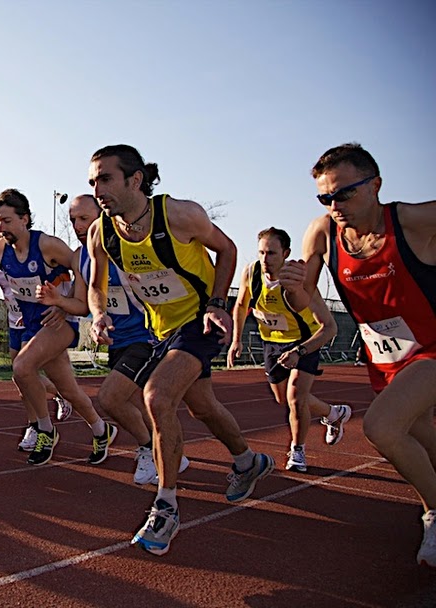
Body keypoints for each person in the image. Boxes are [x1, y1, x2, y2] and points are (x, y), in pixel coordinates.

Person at [86, 145, 274, 556]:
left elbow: (227, 249)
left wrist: (218, 304)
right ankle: (247, 462)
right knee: (203, 406)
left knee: (157, 396)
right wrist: (98, 315)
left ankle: (166, 506)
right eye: (92, 181)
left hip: (199, 320)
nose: (97, 189)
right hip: (160, 328)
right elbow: (96, 285)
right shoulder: (101, 231)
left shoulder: (180, 215)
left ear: (135, 180)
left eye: (105, 179)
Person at [278, 143, 436, 567]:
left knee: (383, 427)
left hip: (432, 347)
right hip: (385, 355)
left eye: (343, 194)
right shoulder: (323, 233)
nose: (335, 205)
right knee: (420, 433)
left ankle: (434, 512)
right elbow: (302, 300)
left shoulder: (414, 221)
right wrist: (292, 288)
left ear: (375, 186)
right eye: (325, 198)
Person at [0, 190, 112, 465]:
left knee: (22, 367)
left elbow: (81, 267)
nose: (2, 228)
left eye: (7, 221)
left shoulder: (47, 245)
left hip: (58, 321)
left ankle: (45, 429)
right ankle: (101, 429)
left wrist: (64, 303)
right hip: (32, 322)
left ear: (25, 219)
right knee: (67, 389)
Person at [55, 194, 191, 479]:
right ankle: (173, 454)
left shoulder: (124, 245)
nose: (78, 226)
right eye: (73, 220)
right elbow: (83, 304)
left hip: (147, 335)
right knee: (141, 404)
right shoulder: (80, 258)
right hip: (117, 339)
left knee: (111, 398)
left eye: (84, 218)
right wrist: (58, 301)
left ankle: (147, 449)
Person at [228, 227, 350, 473]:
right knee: (283, 398)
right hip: (271, 342)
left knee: (296, 399)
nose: (265, 259)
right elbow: (241, 305)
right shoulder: (251, 273)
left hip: (304, 341)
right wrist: (236, 339)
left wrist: (301, 351)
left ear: (286, 253)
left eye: (271, 253)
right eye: (261, 252)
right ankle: (333, 413)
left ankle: (298, 450)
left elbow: (330, 328)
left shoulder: (301, 281)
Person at [0, 217, 71, 452]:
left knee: (24, 372)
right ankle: (59, 397)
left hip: (38, 318)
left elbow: (66, 273)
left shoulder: (25, 252)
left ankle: (37, 426)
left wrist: (63, 305)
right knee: (21, 377)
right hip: (15, 321)